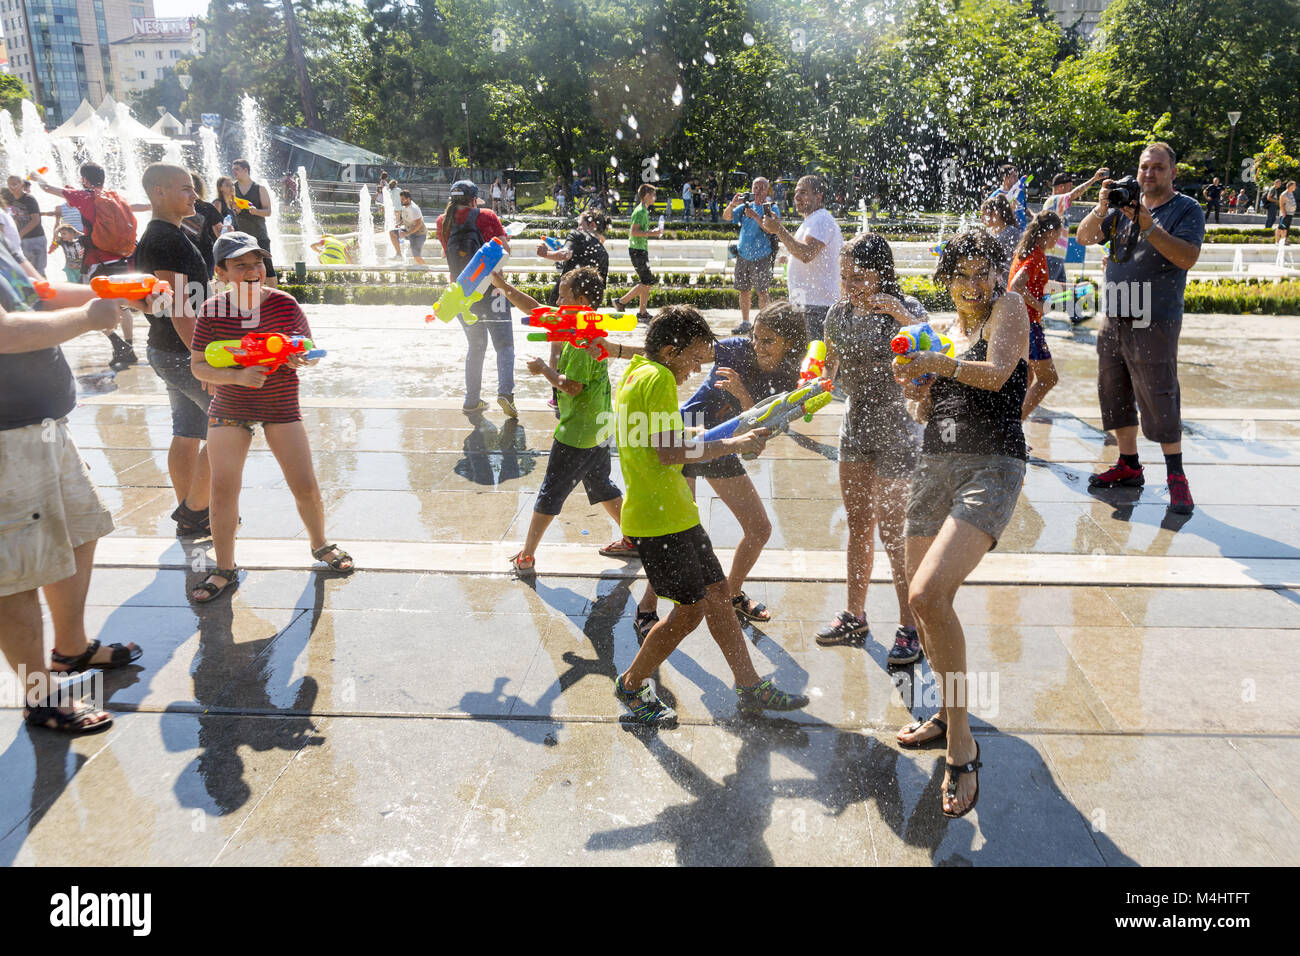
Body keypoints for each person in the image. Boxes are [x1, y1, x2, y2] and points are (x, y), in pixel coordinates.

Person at [611, 305, 809, 725]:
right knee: (689, 611)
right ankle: (630, 684)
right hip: (658, 518)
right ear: (669, 350)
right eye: (693, 359)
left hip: (674, 514)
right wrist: (734, 445)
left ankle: (750, 686)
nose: (697, 369)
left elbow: (670, 436)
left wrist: (725, 433)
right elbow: (670, 452)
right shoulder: (661, 379)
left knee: (719, 594)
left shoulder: (636, 374)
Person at [890, 228, 1030, 817]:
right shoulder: (941, 330)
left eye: (983, 271)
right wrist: (917, 387)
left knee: (928, 592)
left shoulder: (1009, 308)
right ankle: (946, 717)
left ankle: (962, 743)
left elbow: (998, 374)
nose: (975, 284)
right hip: (935, 463)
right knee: (921, 606)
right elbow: (927, 406)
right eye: (963, 274)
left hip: (991, 465)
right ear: (946, 277)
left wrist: (939, 363)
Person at [0, 243, 143, 733]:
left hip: (43, 425)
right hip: (5, 440)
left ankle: (72, 649)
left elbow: (37, 292)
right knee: (16, 573)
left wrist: (119, 292)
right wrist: (88, 316)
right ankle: (39, 698)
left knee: (83, 530)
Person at [187, 232, 354, 601]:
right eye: (240, 265)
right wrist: (235, 376)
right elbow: (198, 366)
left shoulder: (284, 304)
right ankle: (225, 568)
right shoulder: (213, 309)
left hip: (280, 404)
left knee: (305, 484)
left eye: (257, 263)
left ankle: (320, 544)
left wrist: (302, 357)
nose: (252, 271)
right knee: (223, 488)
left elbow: (309, 350)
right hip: (231, 406)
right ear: (221, 271)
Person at [642, 300, 810, 631]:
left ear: (789, 343)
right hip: (687, 440)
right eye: (756, 338)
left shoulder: (792, 377)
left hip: (723, 446)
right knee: (679, 532)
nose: (758, 346)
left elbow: (763, 431)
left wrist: (742, 394)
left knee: (760, 529)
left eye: (768, 341)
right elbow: (681, 353)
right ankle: (646, 607)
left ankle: (731, 594)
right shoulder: (734, 349)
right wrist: (614, 350)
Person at [1075, 142, 1205, 515]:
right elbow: (1084, 238)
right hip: (1115, 315)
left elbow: (1187, 257)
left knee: (1160, 393)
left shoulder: (1186, 209)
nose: (1149, 174)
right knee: (1113, 390)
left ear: (1173, 172)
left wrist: (1148, 225)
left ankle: (1176, 475)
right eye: (1145, 167)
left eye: (1158, 168)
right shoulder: (1121, 206)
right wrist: (1103, 207)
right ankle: (1129, 464)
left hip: (1156, 318)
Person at [816, 234, 926, 661]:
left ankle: (909, 625)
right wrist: (816, 382)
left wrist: (899, 314)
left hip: (899, 428)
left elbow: (936, 350)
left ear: (882, 273)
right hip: (856, 426)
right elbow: (828, 367)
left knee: (895, 533)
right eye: (844, 276)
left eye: (858, 276)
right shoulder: (837, 314)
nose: (850, 285)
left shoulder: (906, 310)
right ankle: (854, 615)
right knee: (859, 522)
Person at [491, 266, 641, 571]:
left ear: (582, 301)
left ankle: (527, 554)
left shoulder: (585, 339)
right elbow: (535, 309)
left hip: (578, 431)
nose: (557, 300)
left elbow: (572, 387)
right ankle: (633, 539)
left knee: (551, 491)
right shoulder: (574, 324)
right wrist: (503, 286)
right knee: (600, 484)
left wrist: (543, 370)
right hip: (599, 425)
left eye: (563, 294)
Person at [134, 163, 215, 538]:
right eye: (184, 189)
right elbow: (177, 308)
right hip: (182, 353)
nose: (193, 194)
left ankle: (191, 511)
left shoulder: (169, 234)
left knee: (187, 432)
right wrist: (205, 363)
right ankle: (197, 510)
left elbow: (164, 302)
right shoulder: (164, 239)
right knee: (233, 424)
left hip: (169, 350)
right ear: (158, 192)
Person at [33, 163, 144, 369]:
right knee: (124, 304)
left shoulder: (84, 196)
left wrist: (35, 176)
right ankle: (128, 346)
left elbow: (47, 188)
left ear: (84, 179)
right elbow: (136, 207)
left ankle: (117, 343)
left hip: (97, 261)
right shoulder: (114, 196)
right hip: (119, 257)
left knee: (92, 303)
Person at [435, 179, 517, 417]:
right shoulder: (487, 216)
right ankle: (505, 393)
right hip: (493, 291)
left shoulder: (442, 222)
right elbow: (505, 250)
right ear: (473, 199)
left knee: (476, 346)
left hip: (461, 296)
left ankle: (471, 400)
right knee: (505, 345)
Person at [760, 174, 843, 339]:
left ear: (818, 196)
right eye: (796, 192)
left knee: (814, 361)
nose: (797, 197)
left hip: (817, 307)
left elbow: (806, 254)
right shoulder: (813, 220)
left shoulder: (821, 219)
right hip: (808, 304)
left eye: (804, 192)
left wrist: (779, 230)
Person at [1009, 210, 1065, 420]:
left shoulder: (1025, 250)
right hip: (1028, 325)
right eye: (1058, 235)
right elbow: (1017, 285)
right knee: (1048, 378)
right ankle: (1014, 427)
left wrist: (1073, 287)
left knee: (1027, 377)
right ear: (1049, 232)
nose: (1058, 241)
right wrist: (1040, 306)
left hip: (1017, 323)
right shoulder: (1036, 255)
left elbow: (1034, 285)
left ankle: (1013, 431)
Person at [1040, 168, 1107, 320]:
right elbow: (1074, 194)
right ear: (1060, 187)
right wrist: (1093, 180)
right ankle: (1035, 319)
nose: (1072, 190)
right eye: (1069, 186)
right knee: (1046, 289)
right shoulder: (1054, 201)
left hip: (1056, 256)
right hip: (1051, 255)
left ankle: (1075, 316)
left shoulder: (1056, 206)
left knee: (1064, 291)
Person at [724, 177, 779, 335]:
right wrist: (732, 205)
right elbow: (727, 217)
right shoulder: (744, 207)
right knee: (744, 290)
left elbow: (772, 229)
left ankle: (765, 324)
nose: (758, 190)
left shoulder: (771, 208)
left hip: (762, 257)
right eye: (756, 187)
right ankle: (746, 322)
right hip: (743, 256)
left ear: (767, 190)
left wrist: (755, 216)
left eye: (762, 187)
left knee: (763, 292)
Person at [615, 183, 663, 322]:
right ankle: (621, 301)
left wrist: (652, 232)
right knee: (647, 282)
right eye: (653, 195)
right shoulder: (640, 211)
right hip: (637, 250)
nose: (654, 197)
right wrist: (652, 233)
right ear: (647, 196)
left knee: (646, 281)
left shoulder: (643, 210)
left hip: (640, 249)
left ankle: (642, 312)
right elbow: (634, 232)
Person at [230, 158, 278, 288]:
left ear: (246, 170)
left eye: (237, 169)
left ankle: (275, 298)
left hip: (259, 234)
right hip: (240, 236)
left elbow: (268, 211)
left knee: (267, 266)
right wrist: (235, 210)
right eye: (233, 169)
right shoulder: (232, 188)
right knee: (240, 267)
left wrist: (256, 211)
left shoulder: (259, 188)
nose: (234, 172)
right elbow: (227, 211)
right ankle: (245, 297)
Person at [182, 172, 223, 277]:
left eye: (193, 187)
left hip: (205, 254)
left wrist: (227, 232)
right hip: (182, 253)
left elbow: (220, 229)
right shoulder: (174, 207)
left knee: (204, 285)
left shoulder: (206, 207)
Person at [6, 174, 47, 276]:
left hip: (36, 238)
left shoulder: (29, 199)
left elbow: (35, 220)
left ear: (22, 184)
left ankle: (46, 291)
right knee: (26, 273)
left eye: (15, 184)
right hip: (22, 240)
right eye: (10, 185)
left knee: (39, 272)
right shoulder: (10, 200)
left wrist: (20, 234)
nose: (12, 187)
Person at [980, 194, 1021, 272]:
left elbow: (1018, 259)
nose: (981, 220)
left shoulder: (1011, 232)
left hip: (1006, 277)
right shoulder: (990, 232)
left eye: (984, 215)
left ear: (996, 213)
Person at [390, 190, 428, 264]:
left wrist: (407, 233)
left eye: (403, 199)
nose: (401, 201)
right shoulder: (405, 206)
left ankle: (426, 270)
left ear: (409, 198)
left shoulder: (414, 209)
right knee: (392, 233)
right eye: (401, 199)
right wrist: (399, 223)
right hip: (409, 230)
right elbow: (406, 217)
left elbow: (418, 224)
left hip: (419, 234)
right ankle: (399, 254)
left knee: (417, 257)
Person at [989, 163, 1029, 229]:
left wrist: (1034, 216)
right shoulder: (996, 196)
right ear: (1005, 178)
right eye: (1014, 176)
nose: (1017, 179)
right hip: (1006, 234)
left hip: (1022, 232)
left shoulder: (1020, 192)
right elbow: (990, 217)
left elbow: (1024, 209)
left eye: (1017, 176)